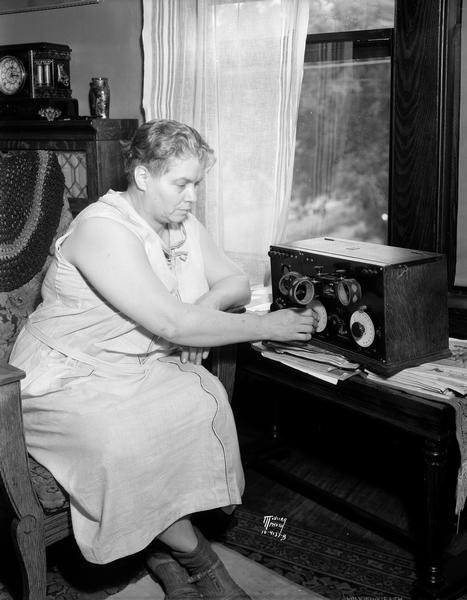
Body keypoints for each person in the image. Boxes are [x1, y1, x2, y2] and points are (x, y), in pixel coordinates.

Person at [10, 119, 318, 600]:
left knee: (203, 401)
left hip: (132, 367)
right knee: (122, 439)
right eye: (181, 183)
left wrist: (205, 306)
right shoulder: (100, 228)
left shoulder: (181, 225)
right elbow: (171, 326)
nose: (192, 196)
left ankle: (158, 554)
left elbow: (234, 280)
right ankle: (202, 563)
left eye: (196, 183)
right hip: (64, 376)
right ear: (142, 176)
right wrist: (266, 326)